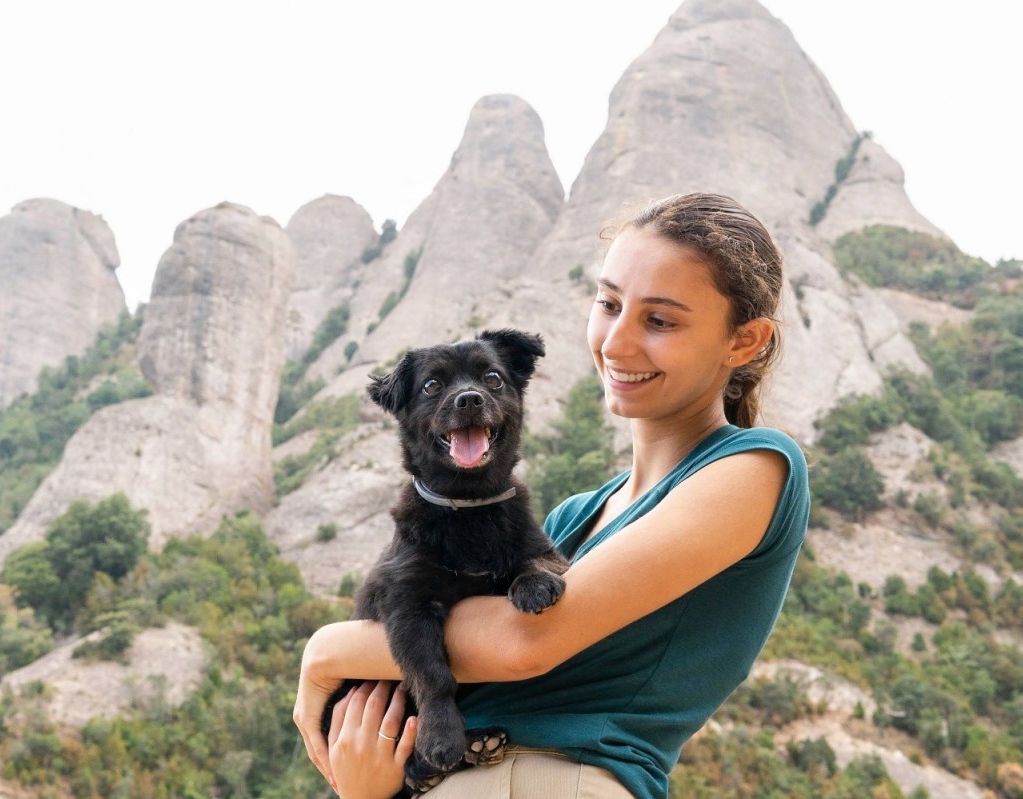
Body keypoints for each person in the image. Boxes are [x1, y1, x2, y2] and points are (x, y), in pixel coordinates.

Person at [293, 192, 810, 799]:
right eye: (609, 304)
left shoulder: (752, 467)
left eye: (661, 320)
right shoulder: (570, 520)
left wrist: (326, 650)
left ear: (744, 342)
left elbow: (523, 643)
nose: (616, 343)